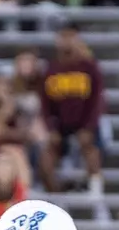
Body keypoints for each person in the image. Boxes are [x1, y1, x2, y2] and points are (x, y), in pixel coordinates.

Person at [39, 24, 105, 196]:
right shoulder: (51, 70)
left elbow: (97, 100)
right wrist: (51, 129)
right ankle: (56, 197)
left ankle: (96, 198)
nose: (67, 41)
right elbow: (45, 105)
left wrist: (89, 127)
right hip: (61, 127)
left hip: (85, 125)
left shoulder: (89, 68)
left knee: (92, 154)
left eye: (71, 37)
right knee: (46, 161)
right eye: (64, 37)